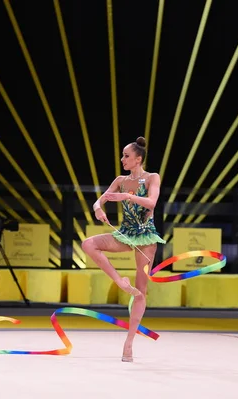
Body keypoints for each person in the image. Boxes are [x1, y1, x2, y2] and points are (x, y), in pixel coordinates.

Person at [82, 136, 166, 362]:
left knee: (141, 290)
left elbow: (152, 203)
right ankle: (120, 281)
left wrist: (125, 197)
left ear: (138, 159)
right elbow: (99, 200)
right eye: (123, 156)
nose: (122, 159)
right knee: (88, 243)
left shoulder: (152, 178)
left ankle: (129, 343)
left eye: (126, 156)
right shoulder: (120, 179)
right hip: (125, 234)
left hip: (146, 238)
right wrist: (99, 209)